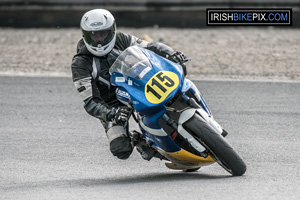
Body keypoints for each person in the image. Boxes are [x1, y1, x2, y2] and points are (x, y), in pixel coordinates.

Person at [71, 9, 187, 160]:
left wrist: (170, 53)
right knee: (120, 148)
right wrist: (110, 113)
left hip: (135, 85)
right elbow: (90, 102)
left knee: (178, 78)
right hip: (112, 104)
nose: (99, 40)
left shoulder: (122, 39)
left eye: (103, 34)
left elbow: (150, 46)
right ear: (85, 35)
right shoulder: (80, 63)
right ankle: (144, 143)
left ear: (112, 31)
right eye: (94, 35)